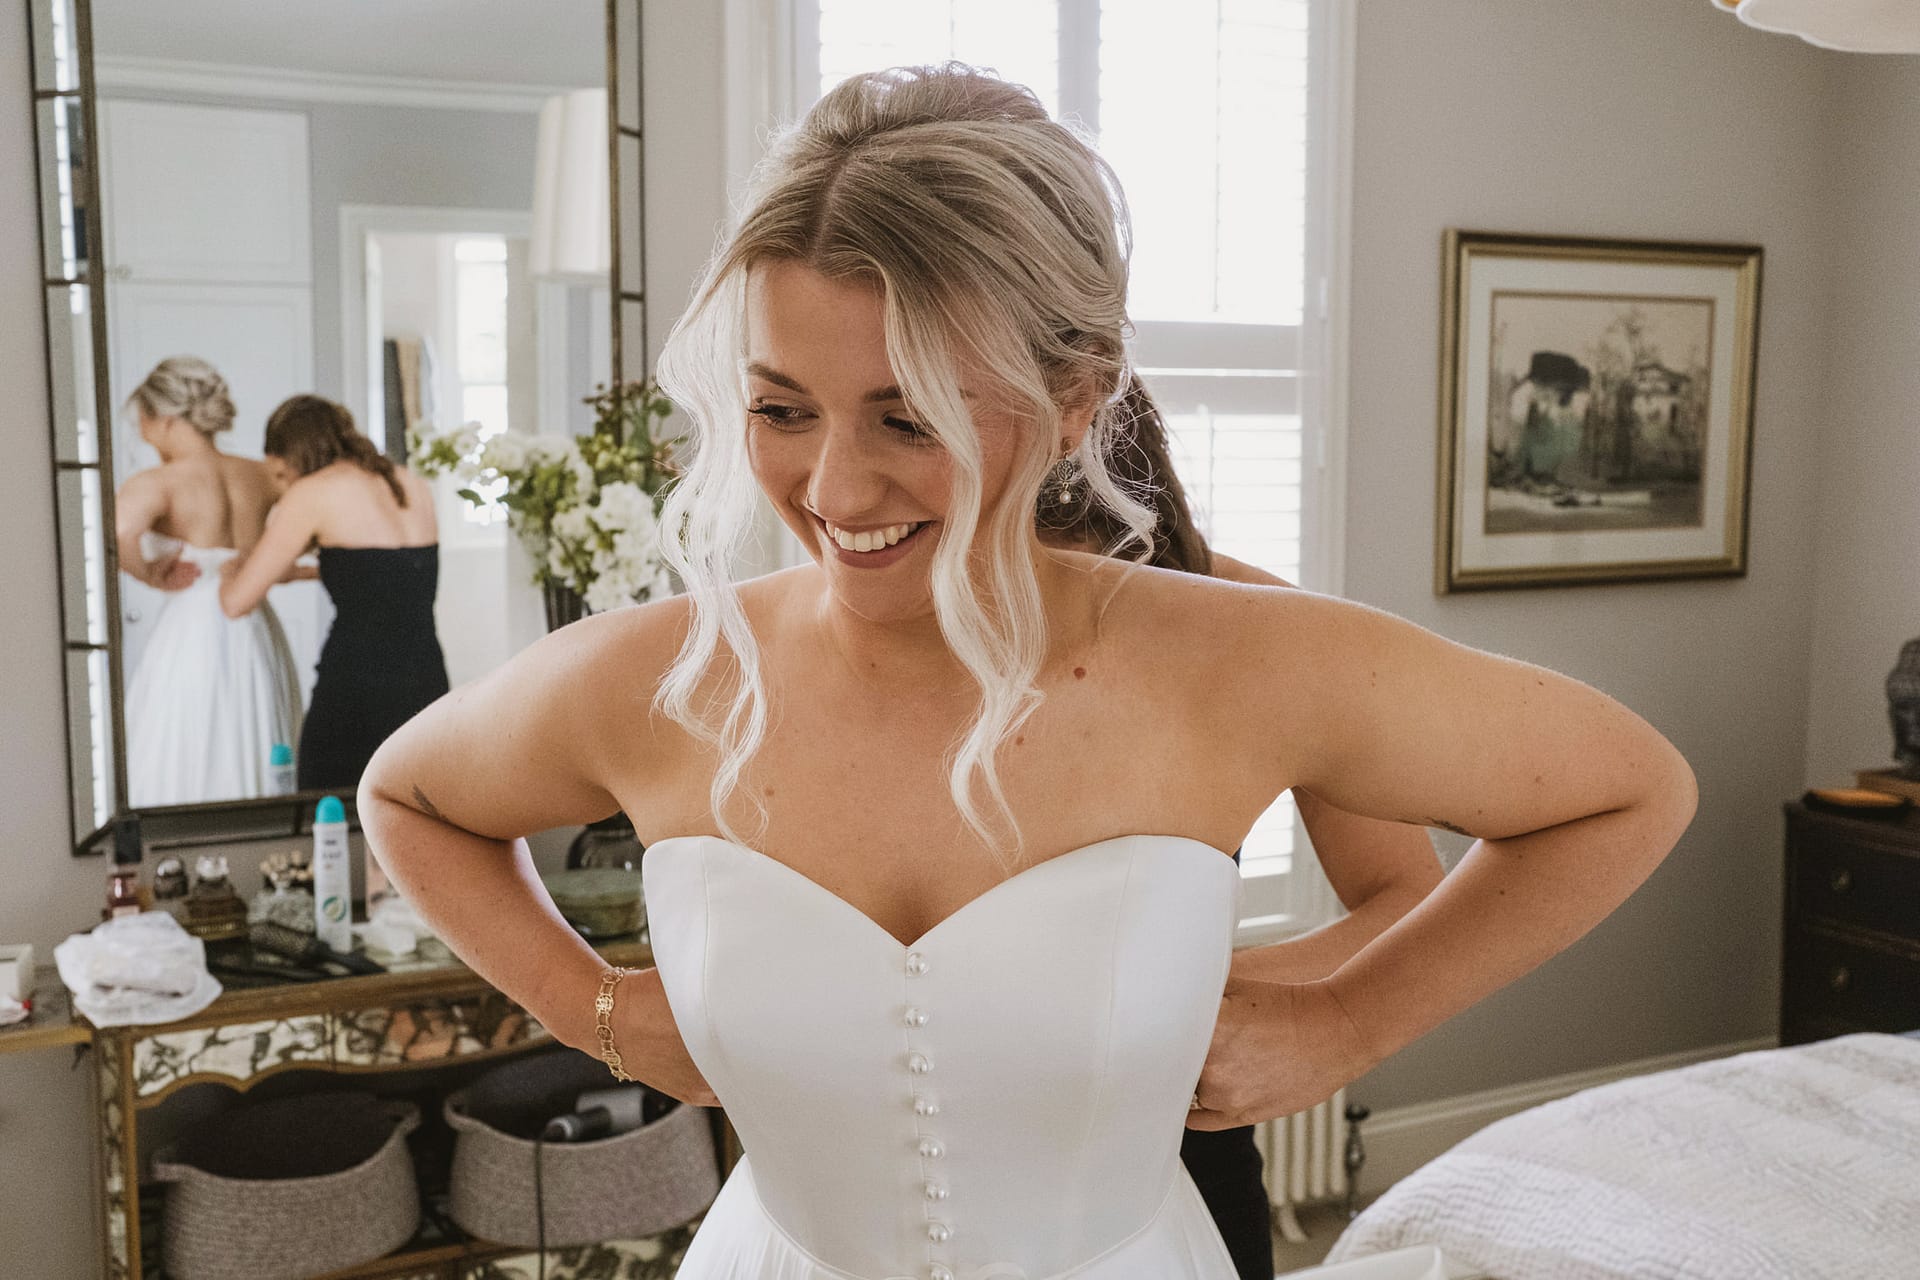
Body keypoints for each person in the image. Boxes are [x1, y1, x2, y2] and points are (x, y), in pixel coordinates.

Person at [358, 66, 1697, 1280]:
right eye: (781, 409)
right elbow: (407, 797)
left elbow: (1629, 791)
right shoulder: (661, 679)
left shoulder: (1238, 659)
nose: (831, 485)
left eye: (910, 414)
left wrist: (1352, 1022)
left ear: (1077, 397)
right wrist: (592, 1008)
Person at [1036, 406, 1445, 1278]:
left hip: (1178, 1139)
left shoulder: (1259, 625)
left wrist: (1214, 997)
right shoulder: (876, 633)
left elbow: (1408, 892)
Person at [220, 394, 447, 793]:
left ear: (292, 457)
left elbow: (237, 601)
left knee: (327, 806)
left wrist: (226, 570)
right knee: (413, 816)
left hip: (357, 685)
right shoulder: (409, 483)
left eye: (279, 473)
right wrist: (304, 573)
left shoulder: (312, 493)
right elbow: (384, 576)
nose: (283, 485)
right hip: (425, 679)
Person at [115, 356, 302, 806]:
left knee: (188, 738)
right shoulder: (261, 475)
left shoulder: (156, 482)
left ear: (166, 420)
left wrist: (152, 575)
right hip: (255, 619)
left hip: (194, 627)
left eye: (142, 420)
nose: (141, 431)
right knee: (259, 729)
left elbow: (119, 533)